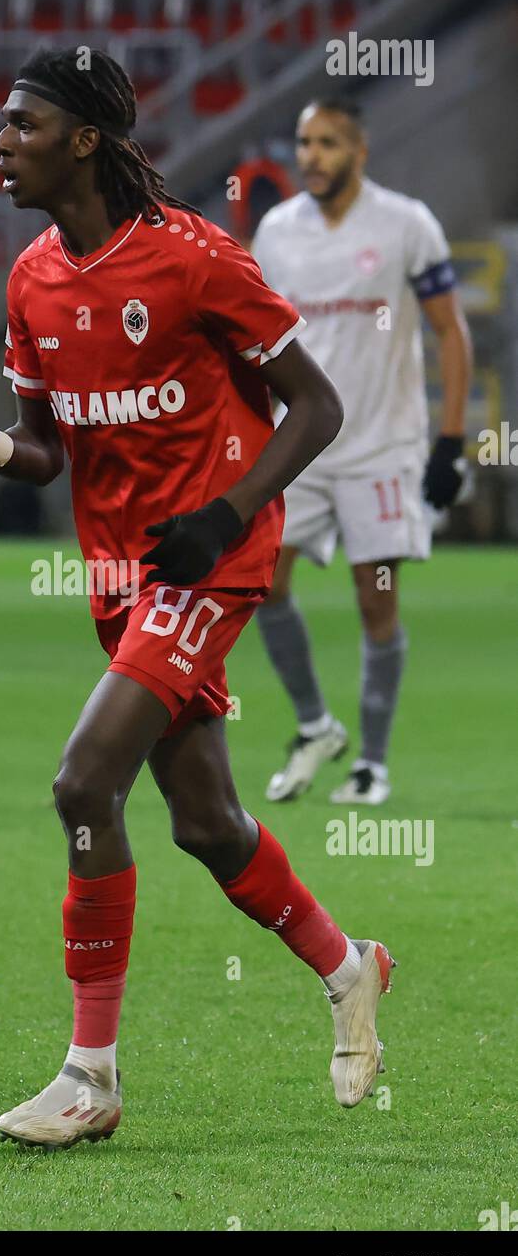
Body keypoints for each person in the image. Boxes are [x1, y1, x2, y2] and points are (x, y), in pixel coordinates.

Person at [0, 48, 395, 1149]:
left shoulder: (196, 260)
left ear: (83, 138)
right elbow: (51, 451)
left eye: (20, 123)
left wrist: (230, 514)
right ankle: (348, 966)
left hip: (205, 564)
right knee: (203, 821)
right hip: (116, 573)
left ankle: (88, 1076)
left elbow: (314, 408)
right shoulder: (33, 277)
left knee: (82, 782)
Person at [252, 98, 471, 805]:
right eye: (303, 142)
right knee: (261, 583)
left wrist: (451, 439)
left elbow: (451, 333)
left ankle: (371, 764)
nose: (310, 155)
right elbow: (254, 345)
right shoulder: (276, 232)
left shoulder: (407, 224)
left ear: (359, 151)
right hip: (300, 450)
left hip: (382, 448)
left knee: (375, 604)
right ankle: (316, 725)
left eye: (326, 143)